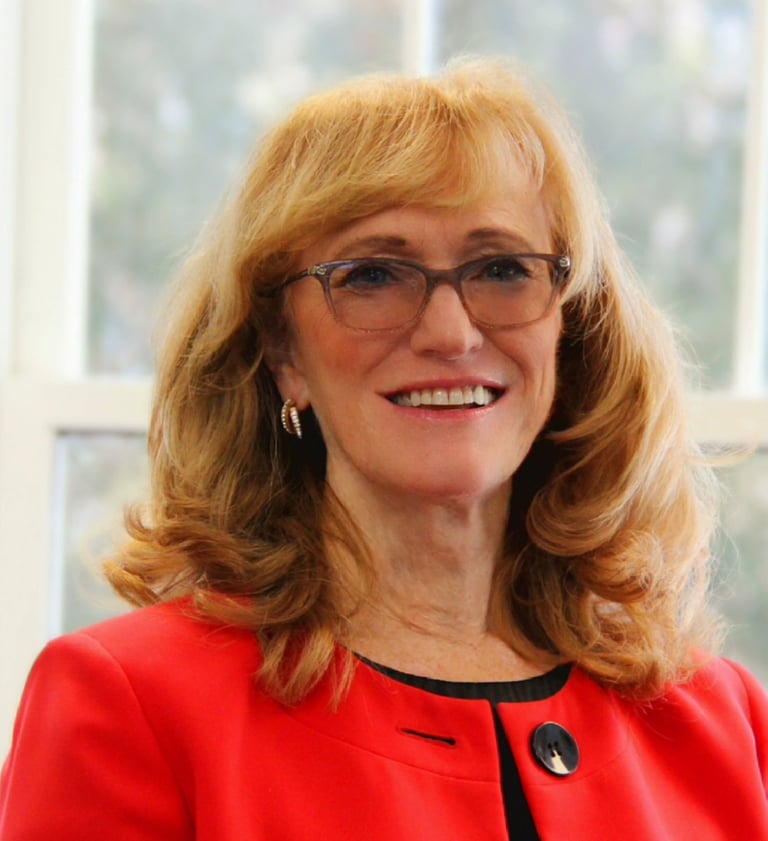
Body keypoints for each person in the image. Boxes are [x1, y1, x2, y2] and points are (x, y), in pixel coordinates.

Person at [1, 58, 766, 840]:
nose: (451, 333)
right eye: (373, 275)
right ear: (282, 351)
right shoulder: (132, 706)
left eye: (503, 268)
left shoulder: (730, 725)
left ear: (568, 329)